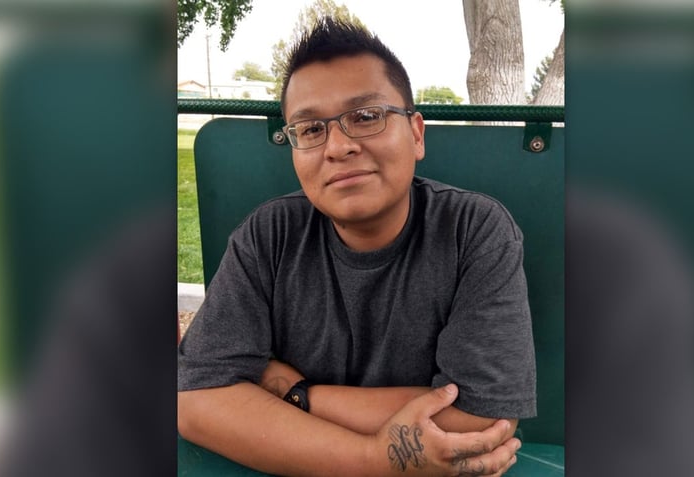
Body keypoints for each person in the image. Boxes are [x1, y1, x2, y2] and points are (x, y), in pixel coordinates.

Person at [178, 17, 536, 477]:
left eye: (366, 117)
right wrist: (375, 460)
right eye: (309, 130)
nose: (338, 147)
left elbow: (478, 417)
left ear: (416, 134)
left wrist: (289, 389)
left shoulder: (474, 230)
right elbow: (196, 401)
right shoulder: (269, 235)